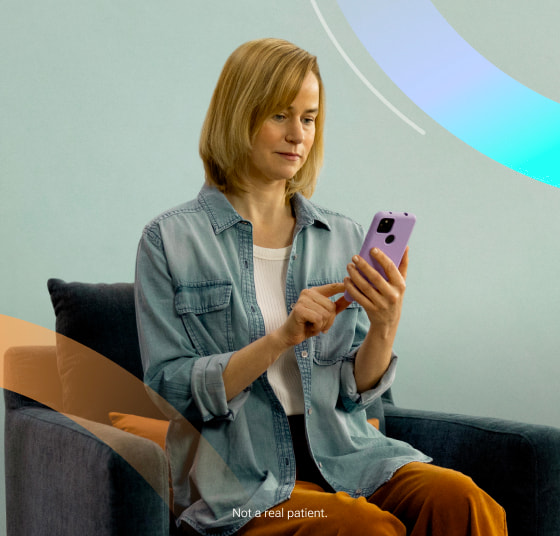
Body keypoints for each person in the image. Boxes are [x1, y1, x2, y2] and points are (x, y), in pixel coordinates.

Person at [135, 38, 507, 536]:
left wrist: (385, 323)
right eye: (280, 116)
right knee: (364, 530)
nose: (298, 136)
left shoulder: (343, 236)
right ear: (238, 116)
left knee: (465, 502)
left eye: (309, 119)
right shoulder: (169, 240)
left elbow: (356, 394)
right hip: (245, 486)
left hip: (349, 456)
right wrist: (279, 340)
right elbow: (168, 390)